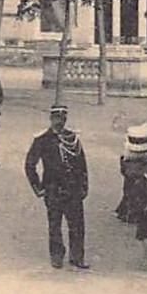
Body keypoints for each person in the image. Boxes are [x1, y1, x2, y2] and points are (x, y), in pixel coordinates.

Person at [24, 106, 91, 270]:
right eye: (56, 118)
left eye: (62, 118)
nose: (59, 122)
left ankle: (77, 257)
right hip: (52, 188)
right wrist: (38, 187)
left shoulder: (72, 138)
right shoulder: (42, 140)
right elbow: (29, 165)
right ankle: (56, 256)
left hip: (73, 189)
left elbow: (82, 164)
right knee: (54, 224)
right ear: (51, 119)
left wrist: (84, 186)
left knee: (77, 225)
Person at [117, 122, 147, 223]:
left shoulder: (128, 155)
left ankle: (127, 212)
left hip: (132, 177)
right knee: (141, 194)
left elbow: (124, 167)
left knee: (130, 193)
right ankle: (136, 214)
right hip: (143, 178)